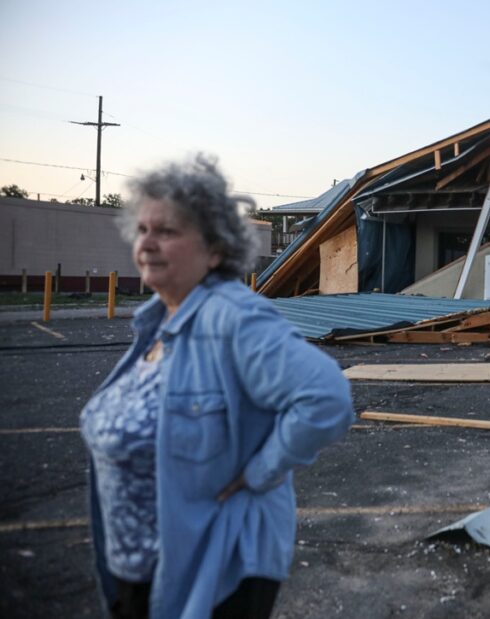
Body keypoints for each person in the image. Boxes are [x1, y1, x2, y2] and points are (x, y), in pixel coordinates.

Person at [80, 157, 353, 619]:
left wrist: (261, 470)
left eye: (166, 231)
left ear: (214, 249)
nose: (147, 243)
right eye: (142, 229)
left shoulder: (232, 316)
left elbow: (327, 397)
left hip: (216, 568)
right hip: (143, 568)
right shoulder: (159, 319)